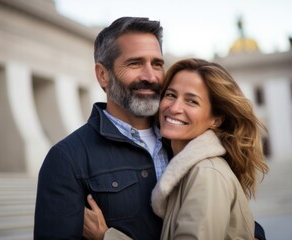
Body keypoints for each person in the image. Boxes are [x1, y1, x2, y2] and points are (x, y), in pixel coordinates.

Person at [34, 16, 267, 240]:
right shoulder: (67, 160)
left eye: (157, 64)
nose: (150, 76)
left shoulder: (187, 144)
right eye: (135, 63)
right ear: (103, 75)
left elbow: (230, 218)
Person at [83, 58, 269, 240]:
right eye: (171, 95)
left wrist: (106, 236)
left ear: (216, 119)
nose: (175, 107)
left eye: (191, 101)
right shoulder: (185, 167)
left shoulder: (205, 173)